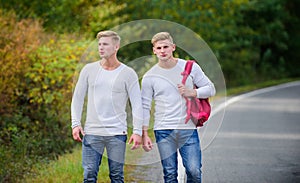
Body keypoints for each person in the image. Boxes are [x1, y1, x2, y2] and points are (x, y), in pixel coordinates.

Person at [141, 32, 216, 182]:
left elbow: (211, 88)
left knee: (194, 171)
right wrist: (144, 133)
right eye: (159, 47)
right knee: (169, 174)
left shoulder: (190, 67)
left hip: (187, 128)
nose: (162, 50)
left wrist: (193, 92)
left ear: (173, 47)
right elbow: (145, 106)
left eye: (166, 47)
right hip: (163, 130)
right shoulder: (150, 76)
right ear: (154, 50)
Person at [71, 30, 143, 183]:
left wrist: (137, 131)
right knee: (89, 174)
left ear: (116, 47)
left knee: (116, 176)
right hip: (92, 132)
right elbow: (77, 98)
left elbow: (137, 104)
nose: (101, 48)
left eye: (105, 44)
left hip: (117, 133)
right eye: (99, 44)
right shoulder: (88, 70)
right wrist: (75, 124)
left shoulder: (128, 73)